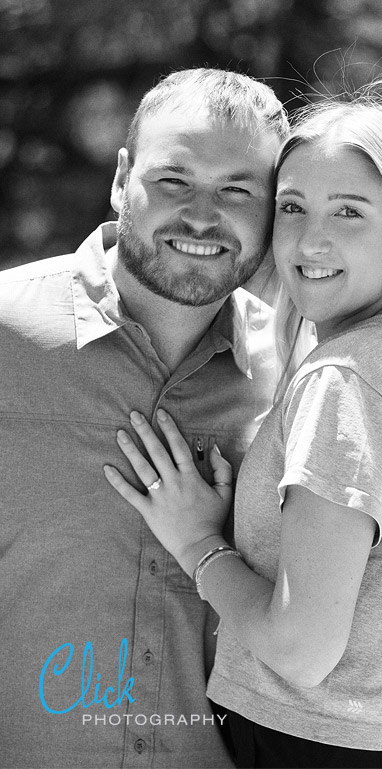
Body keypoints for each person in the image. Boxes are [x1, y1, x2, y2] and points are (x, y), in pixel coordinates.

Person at [105, 77, 382, 768]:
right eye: (292, 206)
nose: (309, 240)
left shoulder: (345, 379)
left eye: (347, 211)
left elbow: (301, 649)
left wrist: (199, 543)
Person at [0, 68, 289, 768]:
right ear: (121, 176)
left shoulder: (294, 372)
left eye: (238, 190)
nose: (201, 214)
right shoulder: (5, 335)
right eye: (174, 180)